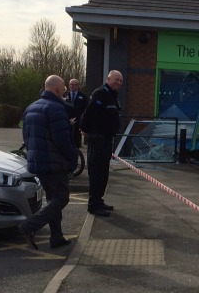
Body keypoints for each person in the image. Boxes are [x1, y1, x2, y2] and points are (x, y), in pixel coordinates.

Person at [18, 75, 77, 250]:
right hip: (54, 162)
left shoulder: (31, 107)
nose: (65, 91)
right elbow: (62, 140)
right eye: (64, 88)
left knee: (53, 199)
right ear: (58, 89)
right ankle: (30, 226)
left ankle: (56, 237)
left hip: (38, 161)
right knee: (61, 198)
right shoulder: (56, 109)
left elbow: (26, 137)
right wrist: (73, 157)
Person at [80, 70, 123, 217]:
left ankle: (99, 201)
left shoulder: (111, 96)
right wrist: (85, 129)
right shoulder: (101, 94)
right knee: (96, 173)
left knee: (103, 173)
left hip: (106, 139)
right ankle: (93, 205)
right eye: (116, 80)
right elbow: (89, 113)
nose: (118, 83)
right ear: (108, 79)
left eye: (120, 81)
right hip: (98, 139)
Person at [64, 78, 89, 148]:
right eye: (70, 85)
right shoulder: (65, 95)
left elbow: (86, 109)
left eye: (74, 85)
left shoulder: (83, 96)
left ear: (78, 86)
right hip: (67, 121)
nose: (72, 86)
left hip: (77, 122)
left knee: (76, 141)